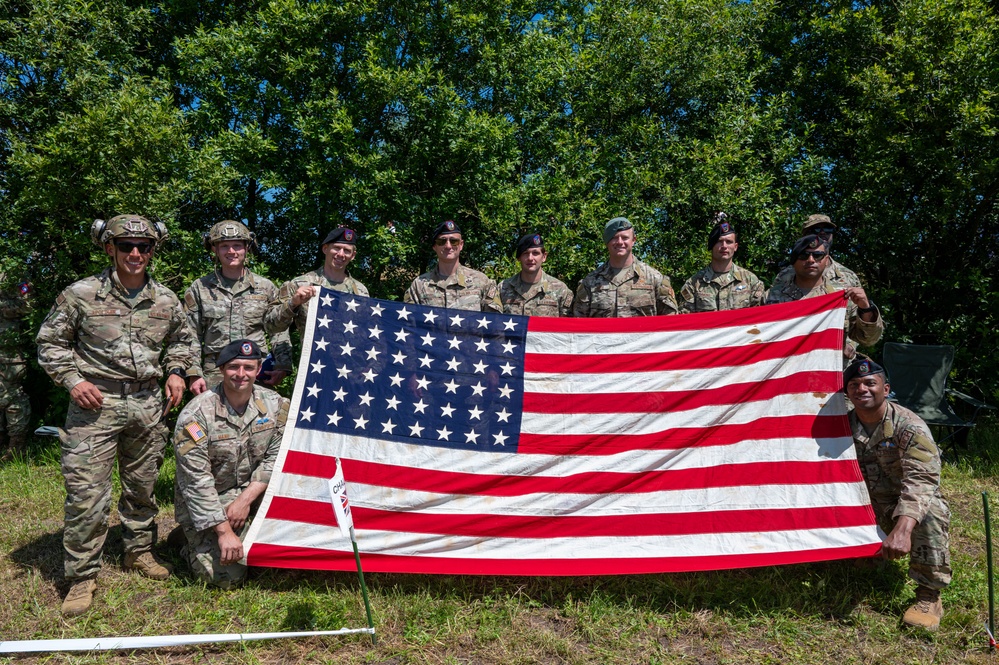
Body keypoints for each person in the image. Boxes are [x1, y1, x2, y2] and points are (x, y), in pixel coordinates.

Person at [36, 215, 195, 617]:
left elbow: (183, 340)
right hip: (95, 405)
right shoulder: (81, 294)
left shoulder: (166, 299)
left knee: (141, 487)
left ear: (154, 250)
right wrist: (73, 381)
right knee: (87, 494)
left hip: (147, 404)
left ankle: (137, 551)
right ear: (110, 248)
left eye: (144, 246)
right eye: (126, 246)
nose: (136, 253)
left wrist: (176, 371)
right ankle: (81, 576)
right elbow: (50, 342)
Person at [844, 358, 951, 630]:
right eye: (854, 384)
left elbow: (921, 481)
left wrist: (903, 529)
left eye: (870, 383)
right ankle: (871, 554)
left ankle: (929, 595)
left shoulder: (909, 426)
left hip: (898, 504)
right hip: (865, 505)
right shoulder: (841, 426)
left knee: (930, 511)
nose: (862, 389)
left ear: (886, 388)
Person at [173, 339, 288, 588]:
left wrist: (245, 501)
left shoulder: (276, 405)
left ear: (258, 370)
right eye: (234, 367)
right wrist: (224, 532)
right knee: (225, 579)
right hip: (212, 499)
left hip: (253, 493)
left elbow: (275, 459)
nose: (241, 374)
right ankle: (188, 538)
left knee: (285, 556)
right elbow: (196, 481)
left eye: (248, 367)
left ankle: (235, 534)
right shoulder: (195, 416)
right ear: (222, 369)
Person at [184, 220, 292, 394]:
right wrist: (193, 373)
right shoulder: (200, 288)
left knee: (260, 419)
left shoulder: (265, 287)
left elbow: (278, 330)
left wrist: (282, 364)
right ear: (214, 249)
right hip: (215, 372)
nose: (231, 251)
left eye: (237, 245)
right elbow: (190, 334)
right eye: (224, 246)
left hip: (256, 370)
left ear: (247, 248)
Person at [764, 235, 883, 360]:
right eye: (803, 255)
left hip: (828, 371)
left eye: (818, 255)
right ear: (794, 260)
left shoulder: (843, 298)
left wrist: (865, 308)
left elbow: (869, 340)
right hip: (785, 371)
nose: (811, 260)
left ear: (826, 260)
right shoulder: (772, 297)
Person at [266, 226, 369, 337]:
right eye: (337, 248)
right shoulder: (300, 284)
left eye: (347, 251)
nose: (341, 254)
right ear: (325, 249)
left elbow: (365, 330)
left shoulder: (360, 291)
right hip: (312, 354)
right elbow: (270, 326)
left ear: (353, 256)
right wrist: (293, 304)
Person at [573, 217, 678, 317]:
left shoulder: (655, 279)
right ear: (606, 242)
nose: (619, 242)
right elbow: (579, 323)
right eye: (614, 238)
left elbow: (670, 321)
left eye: (625, 238)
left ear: (633, 240)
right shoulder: (590, 282)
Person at [404, 220, 502, 312]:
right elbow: (409, 324)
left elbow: (495, 324)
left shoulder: (481, 282)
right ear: (434, 246)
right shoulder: (419, 285)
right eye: (442, 241)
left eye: (453, 241)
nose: (448, 246)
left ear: (461, 245)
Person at [679, 217, 764, 313]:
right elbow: (686, 321)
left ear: (735, 247)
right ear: (711, 245)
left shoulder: (750, 281)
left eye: (729, 242)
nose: (724, 246)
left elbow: (761, 318)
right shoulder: (693, 284)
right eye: (719, 241)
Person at [771, 214, 862, 290]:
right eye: (816, 229)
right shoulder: (785, 276)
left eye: (828, 229)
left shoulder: (848, 276)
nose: (823, 233)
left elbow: (859, 309)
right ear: (805, 235)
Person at [497, 233, 574, 316]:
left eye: (535, 253)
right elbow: (494, 322)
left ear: (544, 257)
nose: (530, 258)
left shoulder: (560, 290)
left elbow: (567, 325)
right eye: (525, 253)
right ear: (519, 258)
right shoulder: (503, 288)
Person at [0, 274, 31, 461]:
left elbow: (26, 305)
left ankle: (16, 448)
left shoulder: (12, 273)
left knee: (13, 401)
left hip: (9, 355)